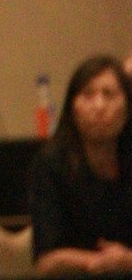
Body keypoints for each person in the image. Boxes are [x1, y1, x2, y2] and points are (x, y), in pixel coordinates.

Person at [30, 53, 132, 275]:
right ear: (72, 108)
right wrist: (99, 262)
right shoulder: (52, 164)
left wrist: (127, 261)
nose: (99, 106)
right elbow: (46, 261)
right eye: (88, 95)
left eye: (109, 94)